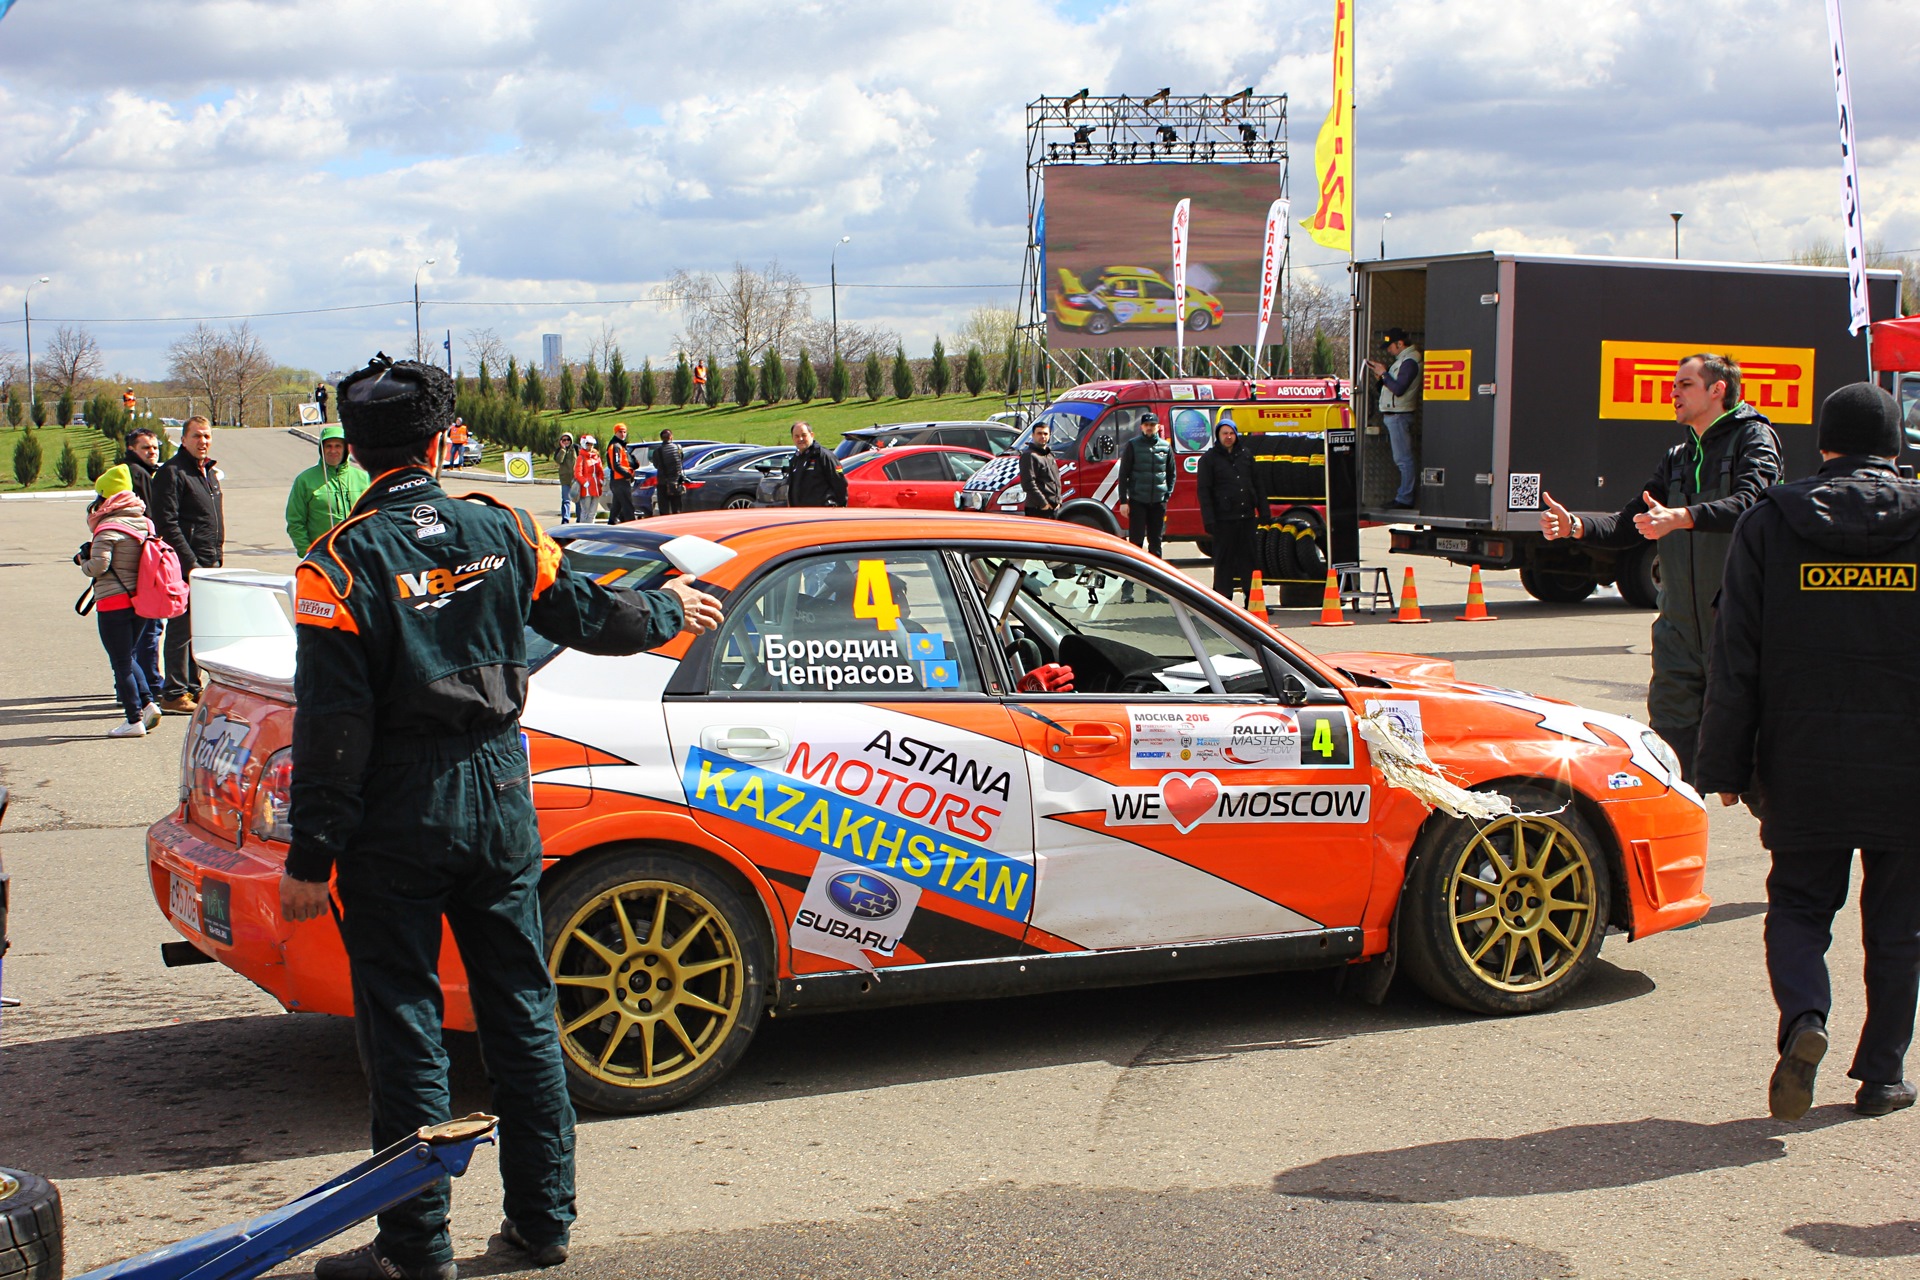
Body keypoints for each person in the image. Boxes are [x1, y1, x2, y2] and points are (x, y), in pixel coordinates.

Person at [278, 354, 723, 1280]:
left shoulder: (340, 561)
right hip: (497, 791)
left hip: (396, 813)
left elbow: (333, 726)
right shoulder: (507, 526)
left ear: (354, 453)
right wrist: (667, 609)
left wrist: (312, 856)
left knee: (406, 1026)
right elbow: (588, 616)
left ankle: (413, 1247)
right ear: (443, 441)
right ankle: (542, 1224)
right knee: (521, 1007)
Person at [1697, 382, 1920, 1122]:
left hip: (1800, 760)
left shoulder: (1769, 523)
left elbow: (1736, 655)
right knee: (1900, 927)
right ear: (1896, 447)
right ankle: (1883, 1076)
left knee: (1797, 906)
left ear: (1824, 444)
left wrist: (1724, 765)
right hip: (1907, 767)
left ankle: (1805, 1022)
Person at [1540, 353, 1781, 782]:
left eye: (1685, 384)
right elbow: (1627, 522)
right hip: (1679, 634)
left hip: (1739, 629)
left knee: (1761, 767)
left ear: (1717, 390)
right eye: (1674, 385)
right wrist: (1574, 525)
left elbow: (1753, 502)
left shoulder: (1754, 439)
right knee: (1670, 763)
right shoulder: (1677, 457)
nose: (1673, 393)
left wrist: (1683, 516)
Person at [79, 465, 162, 738]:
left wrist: (83, 562)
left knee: (120, 662)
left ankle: (133, 719)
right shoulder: (144, 522)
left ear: (105, 498)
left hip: (113, 602)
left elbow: (99, 566)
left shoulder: (108, 527)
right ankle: (148, 704)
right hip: (140, 600)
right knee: (127, 656)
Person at [150, 416, 224, 714]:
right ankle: (174, 691)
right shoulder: (172, 472)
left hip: (209, 562)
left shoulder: (208, 472)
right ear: (183, 439)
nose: (202, 441)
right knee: (182, 629)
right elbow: (166, 523)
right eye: (196, 436)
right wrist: (190, 563)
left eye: (206, 436)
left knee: (201, 628)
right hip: (186, 565)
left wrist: (214, 557)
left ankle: (194, 687)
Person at [1196, 416, 1270, 601]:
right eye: (1224, 433)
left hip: (1246, 518)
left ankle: (1253, 600)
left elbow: (1258, 485)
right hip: (1223, 520)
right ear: (1218, 435)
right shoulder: (1209, 460)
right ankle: (1223, 601)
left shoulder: (1246, 455)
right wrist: (1209, 520)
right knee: (1224, 562)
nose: (1228, 437)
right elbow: (1204, 492)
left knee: (1250, 561)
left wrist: (1264, 510)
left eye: (1231, 433)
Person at [122, 426, 166, 697]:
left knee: (134, 628)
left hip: (130, 563)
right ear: (131, 450)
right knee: (149, 626)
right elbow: (153, 518)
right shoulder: (138, 474)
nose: (152, 452)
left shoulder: (127, 473)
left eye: (154, 447)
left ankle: (128, 683)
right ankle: (149, 683)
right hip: (145, 562)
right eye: (145, 448)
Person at [285, 423, 371, 554]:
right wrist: (308, 552)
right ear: (321, 449)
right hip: (323, 556)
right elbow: (295, 522)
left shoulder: (364, 478)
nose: (333, 451)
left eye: (338, 446)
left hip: (359, 555)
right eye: (328, 446)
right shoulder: (304, 480)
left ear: (346, 449)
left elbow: (378, 517)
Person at [1365, 328, 1422, 510]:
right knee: (1402, 458)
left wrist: (1384, 373)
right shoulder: (1403, 361)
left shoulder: (1410, 362)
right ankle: (1404, 496)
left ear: (1400, 344)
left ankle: (1405, 498)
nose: (1388, 350)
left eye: (1390, 346)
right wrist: (1382, 377)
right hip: (1395, 414)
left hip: (1399, 415)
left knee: (1403, 459)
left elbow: (1399, 389)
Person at [1116, 409, 1175, 559]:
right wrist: (1124, 501)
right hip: (1138, 501)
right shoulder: (1133, 445)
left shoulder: (1165, 447)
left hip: (1158, 501)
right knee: (1136, 541)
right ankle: (1133, 576)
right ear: (1141, 427)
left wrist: (1166, 495)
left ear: (1157, 426)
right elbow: (1123, 474)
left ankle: (1156, 577)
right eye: (1146, 424)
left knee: (1156, 540)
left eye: (1152, 424)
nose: (1149, 427)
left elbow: (1171, 473)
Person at [785, 421, 847, 507]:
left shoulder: (824, 456)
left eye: (804, 435)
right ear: (792, 438)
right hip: (800, 513)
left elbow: (839, 484)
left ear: (812, 435)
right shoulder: (795, 460)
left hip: (821, 513)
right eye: (797, 436)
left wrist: (840, 507)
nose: (800, 439)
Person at [1019, 420, 1060, 517]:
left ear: (1050, 435)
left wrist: (1059, 501)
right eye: (1039, 433)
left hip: (1053, 508)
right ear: (1033, 435)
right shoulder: (1029, 456)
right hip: (1038, 509)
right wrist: (1043, 504)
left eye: (1045, 433)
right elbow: (1028, 483)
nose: (1043, 436)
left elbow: (1056, 479)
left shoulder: (1049, 455)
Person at [605, 422, 635, 523]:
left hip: (619, 481)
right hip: (620, 481)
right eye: (620, 432)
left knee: (616, 508)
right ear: (615, 433)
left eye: (624, 432)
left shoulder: (620, 445)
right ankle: (633, 528)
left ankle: (611, 525)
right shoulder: (615, 446)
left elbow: (625, 462)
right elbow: (615, 465)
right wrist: (628, 475)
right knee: (628, 507)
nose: (622, 434)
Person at [572, 435, 605, 524]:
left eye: (591, 444)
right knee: (585, 511)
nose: (590, 446)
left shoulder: (595, 456)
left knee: (593, 512)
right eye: (588, 444)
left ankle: (591, 529)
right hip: (586, 488)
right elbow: (577, 473)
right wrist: (584, 482)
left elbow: (600, 470)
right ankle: (583, 530)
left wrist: (601, 479)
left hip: (596, 487)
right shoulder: (581, 457)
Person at [652, 428, 686, 516]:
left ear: (661, 438)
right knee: (677, 508)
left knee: (664, 509)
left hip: (663, 482)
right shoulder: (678, 448)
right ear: (671, 437)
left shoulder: (657, 451)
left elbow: (656, 465)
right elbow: (681, 460)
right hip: (676, 481)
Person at [552, 433, 577, 523]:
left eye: (568, 440)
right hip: (565, 479)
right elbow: (559, 460)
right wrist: (563, 449)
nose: (566, 441)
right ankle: (565, 519)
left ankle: (579, 519)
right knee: (566, 500)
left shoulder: (576, 449)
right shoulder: (559, 450)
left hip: (575, 479)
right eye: (564, 440)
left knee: (577, 500)